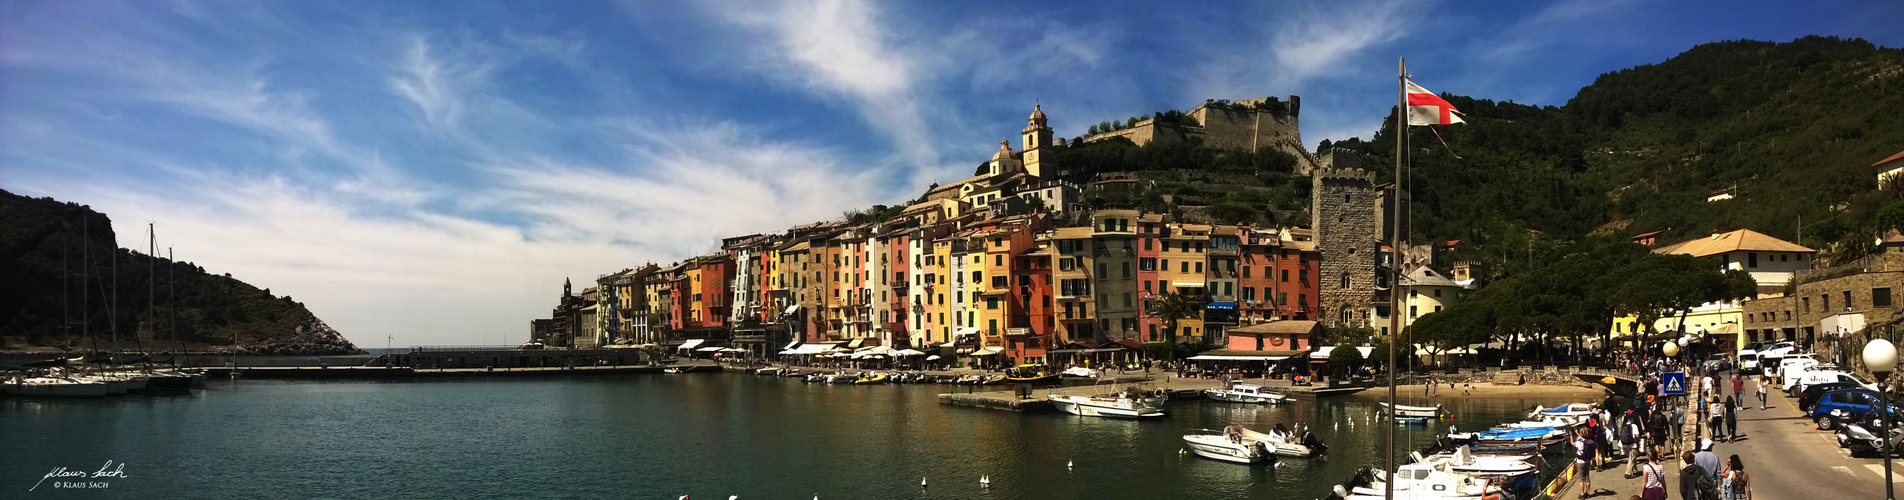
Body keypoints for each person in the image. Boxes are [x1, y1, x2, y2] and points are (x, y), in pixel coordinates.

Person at [1576, 426, 1597, 499]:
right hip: (1587, 460)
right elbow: (1583, 437)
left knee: (1581, 478)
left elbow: (1573, 443)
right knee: (1587, 477)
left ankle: (1582, 494)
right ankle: (1588, 493)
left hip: (1580, 461)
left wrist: (1572, 436)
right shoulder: (1589, 441)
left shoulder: (1579, 442)